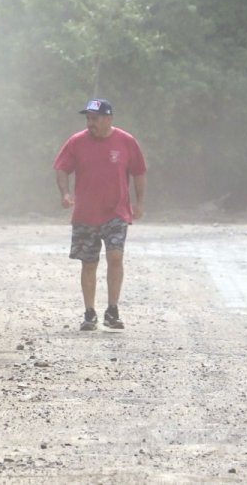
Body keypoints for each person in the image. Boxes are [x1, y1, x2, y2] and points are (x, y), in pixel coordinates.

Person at [53, 98, 147, 331]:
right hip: (85, 213)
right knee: (89, 262)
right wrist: (65, 193)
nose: (90, 123)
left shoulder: (126, 141)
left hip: (116, 211)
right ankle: (90, 312)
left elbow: (139, 172)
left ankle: (112, 310)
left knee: (115, 256)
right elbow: (62, 168)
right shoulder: (76, 142)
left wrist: (139, 202)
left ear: (108, 119)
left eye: (94, 119)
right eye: (87, 118)